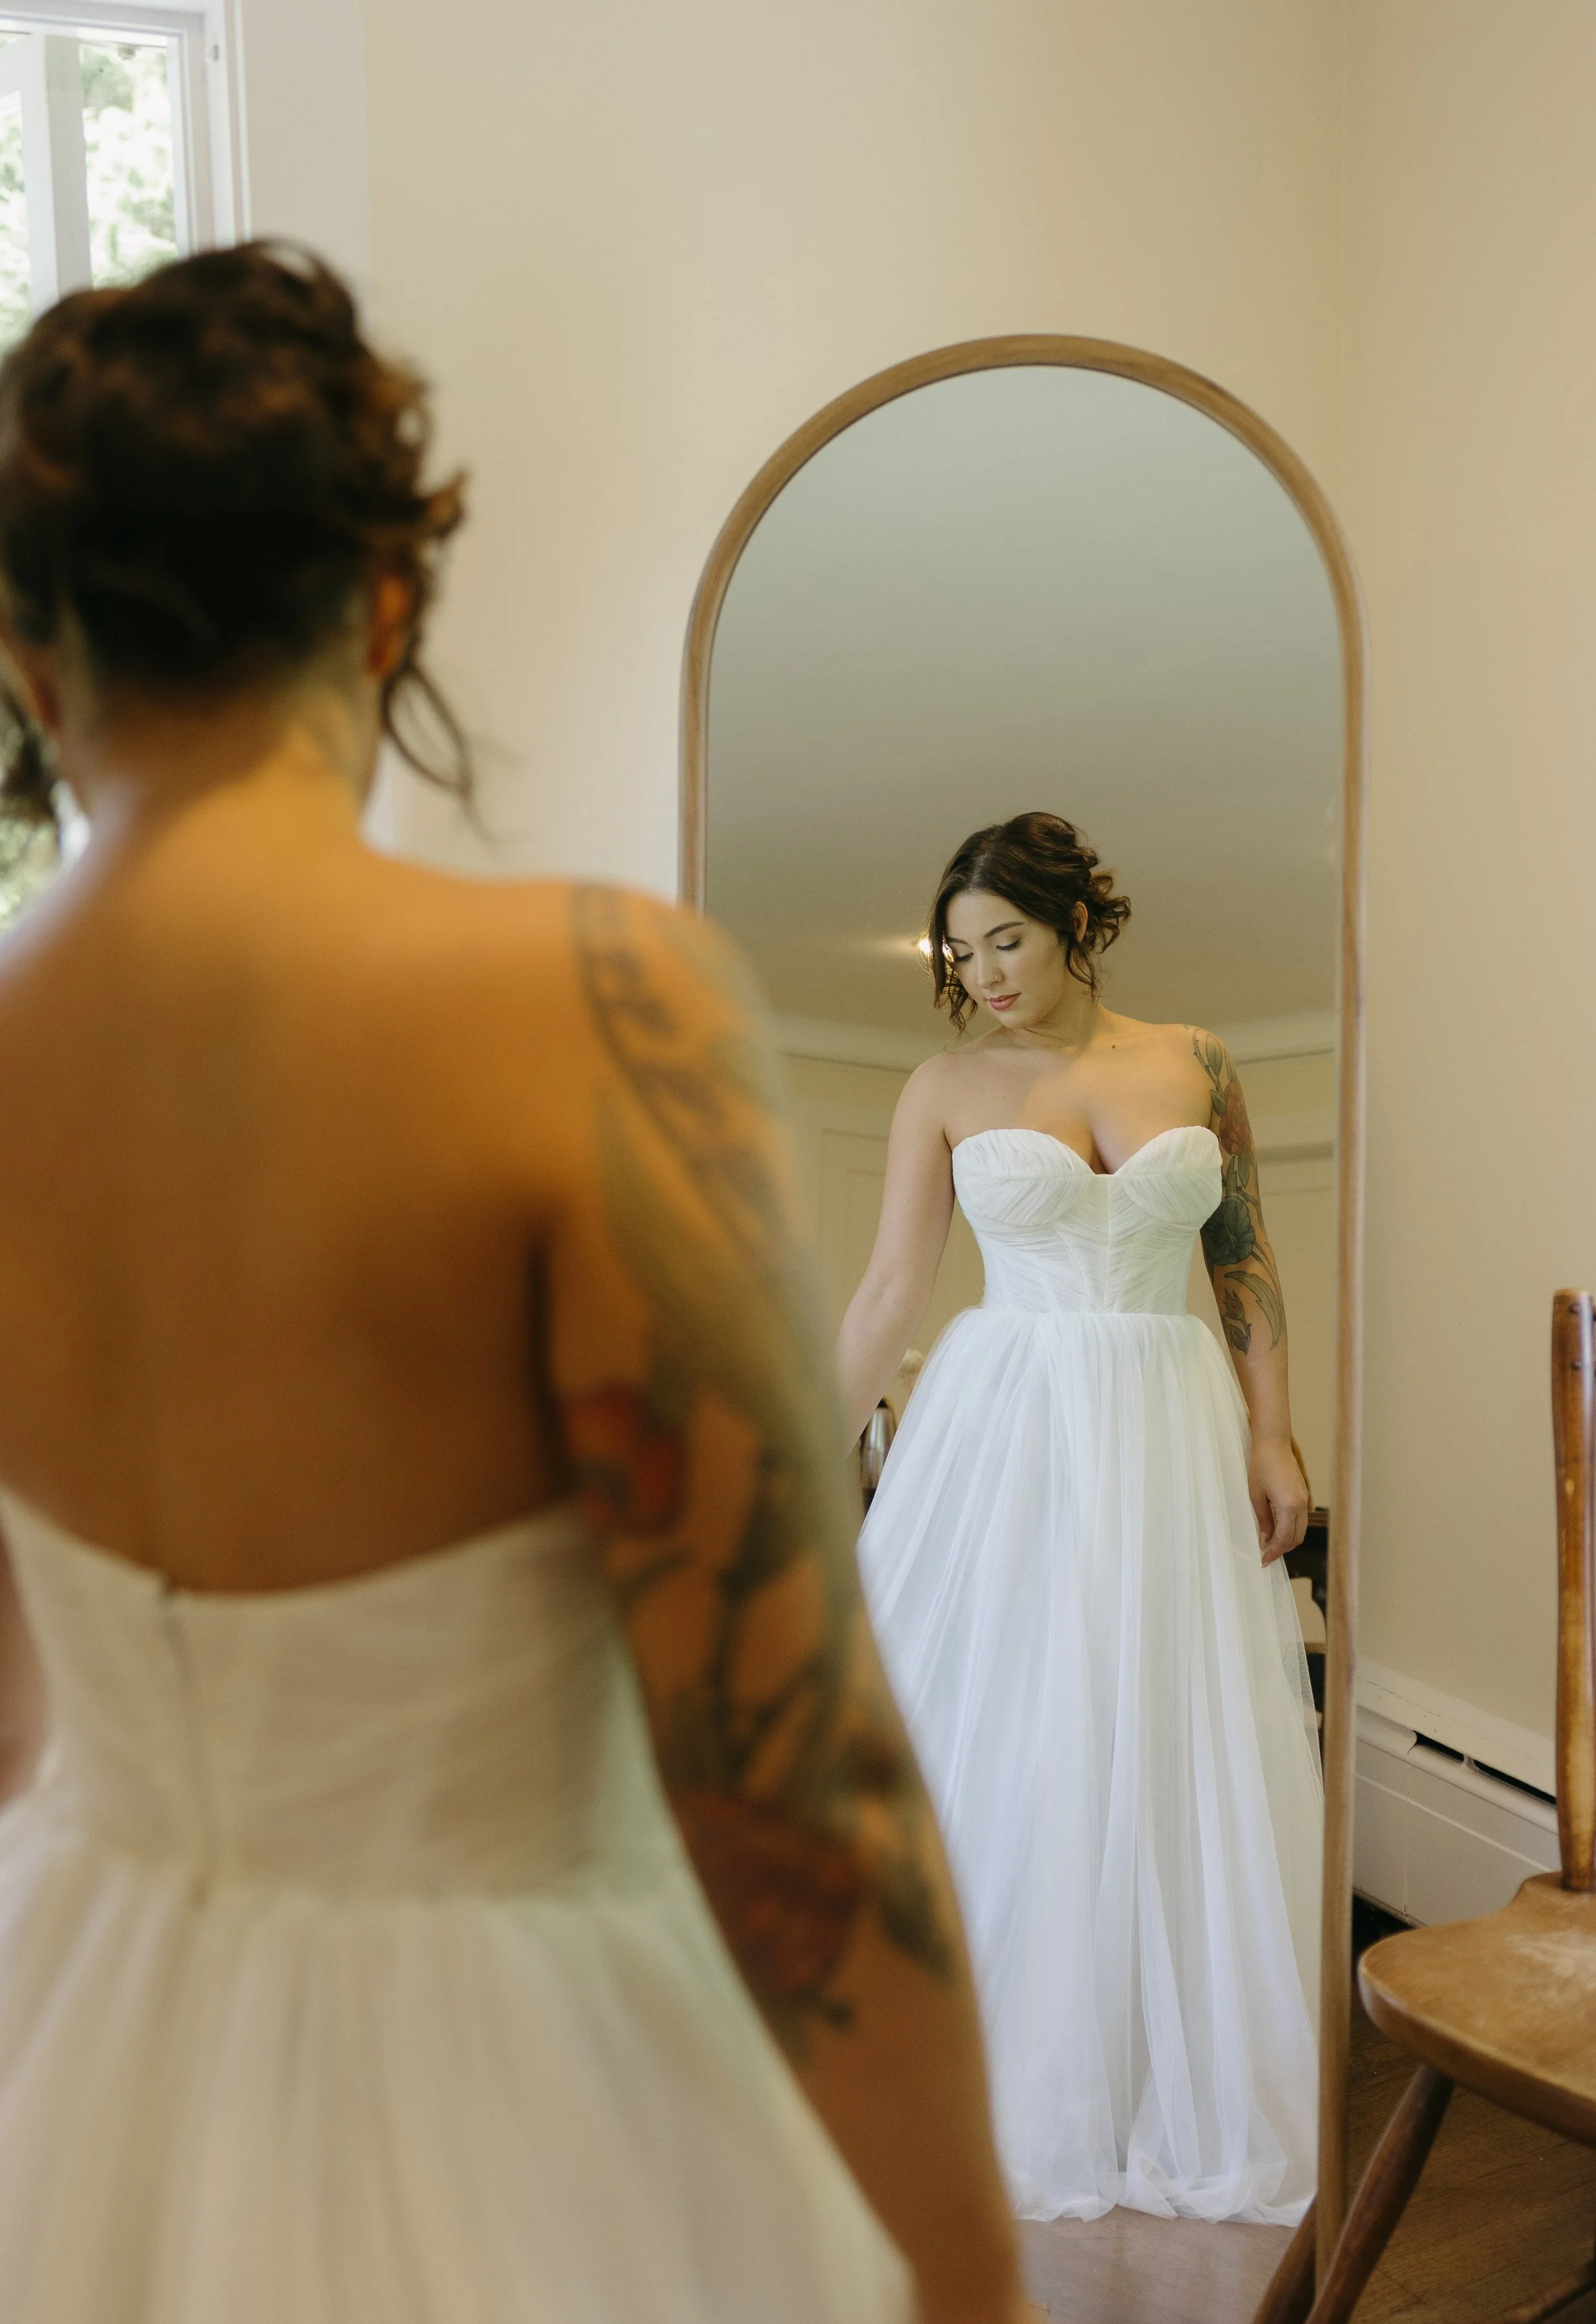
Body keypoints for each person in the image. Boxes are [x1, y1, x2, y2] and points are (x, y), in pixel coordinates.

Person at [0, 244, 1032, 2323]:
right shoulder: (589, 1012)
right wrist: (972, 2292)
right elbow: (787, 1778)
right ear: (385, 609)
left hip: (82, 2038)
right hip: (509, 2084)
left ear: (30, 661)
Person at [839, 811, 1324, 2228]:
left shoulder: (1195, 1057)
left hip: (1167, 1414)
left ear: (1075, 927)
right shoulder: (940, 1083)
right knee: (1010, 1718)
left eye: (1007, 939)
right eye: (962, 948)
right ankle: (992, 2073)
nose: (984, 971)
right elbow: (885, 1294)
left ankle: (1147, 2078)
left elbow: (1241, 1255)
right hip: (1010, 1419)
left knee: (1163, 1726)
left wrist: (1271, 1422)